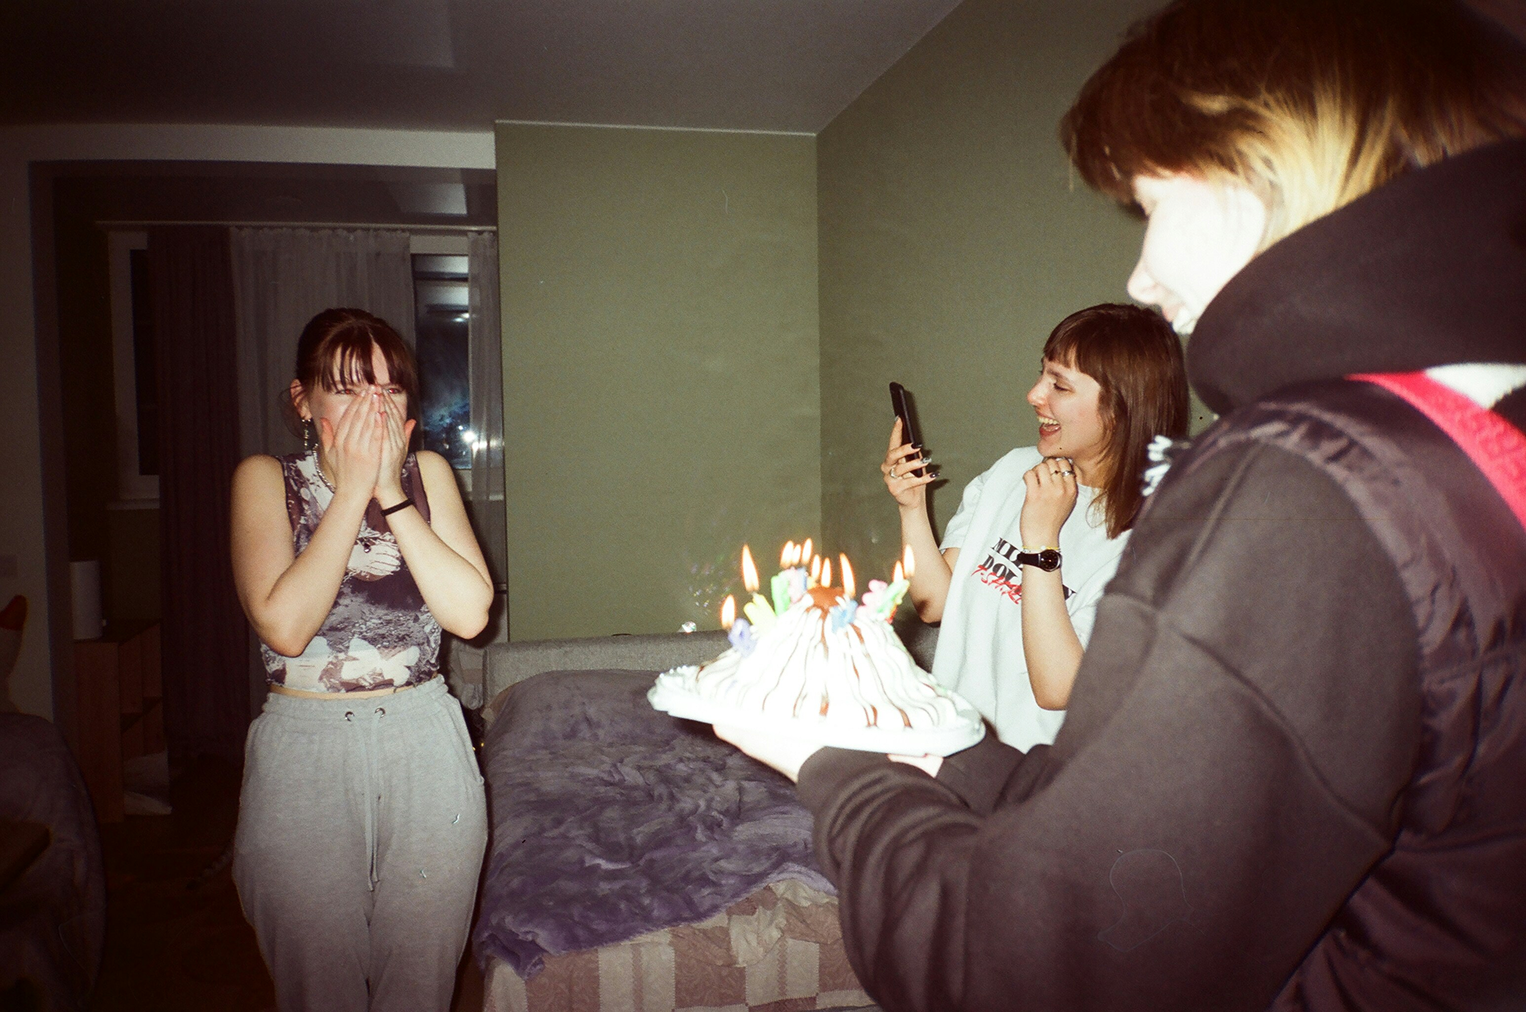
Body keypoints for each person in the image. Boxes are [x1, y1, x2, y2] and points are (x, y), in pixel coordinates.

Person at [715, 1, 1526, 1008]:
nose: (1141, 271)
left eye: (1148, 204)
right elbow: (1130, 807)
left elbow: (1024, 968)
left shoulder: (1300, 484)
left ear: (1258, 160)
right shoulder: (1465, 438)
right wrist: (933, 744)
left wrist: (825, 758)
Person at [229, 308, 492, 1012]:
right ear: (303, 401)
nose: (376, 404)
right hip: (305, 751)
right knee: (320, 988)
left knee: (420, 986)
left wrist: (389, 493)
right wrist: (350, 492)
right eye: (348, 387)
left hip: (426, 743)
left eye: (391, 387)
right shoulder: (265, 479)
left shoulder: (427, 473)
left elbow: (469, 614)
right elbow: (285, 626)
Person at [883, 304, 1187, 749]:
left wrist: (1041, 541)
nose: (1034, 394)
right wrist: (911, 508)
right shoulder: (1013, 470)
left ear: (1122, 409)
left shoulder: (1151, 542)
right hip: (950, 748)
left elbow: (1058, 689)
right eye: (1042, 374)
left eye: (1059, 385)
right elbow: (936, 605)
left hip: (1034, 783)